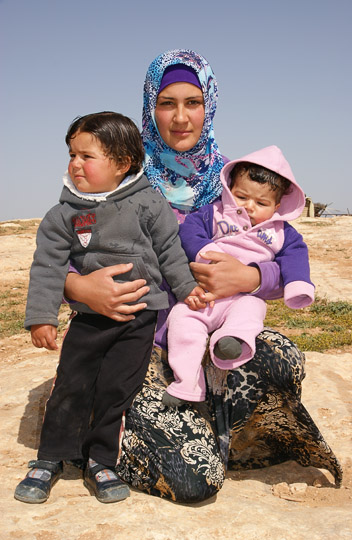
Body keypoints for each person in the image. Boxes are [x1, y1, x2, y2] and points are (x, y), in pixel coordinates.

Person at [58, 50, 343, 502]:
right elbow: (65, 253)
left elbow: (281, 250)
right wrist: (79, 287)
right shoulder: (117, 177)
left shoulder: (238, 180)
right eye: (167, 103)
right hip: (138, 334)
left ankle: (207, 416)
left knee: (278, 357)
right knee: (194, 479)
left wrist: (251, 279)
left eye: (193, 102)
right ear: (150, 107)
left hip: (216, 324)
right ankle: (108, 434)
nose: (180, 117)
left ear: (209, 105)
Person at [14, 111, 206, 504]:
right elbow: (48, 266)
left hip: (139, 320)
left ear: (122, 164)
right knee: (71, 384)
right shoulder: (62, 215)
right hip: (87, 318)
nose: (75, 164)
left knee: (117, 389)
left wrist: (186, 289)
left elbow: (170, 252)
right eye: (71, 154)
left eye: (87, 156)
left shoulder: (148, 203)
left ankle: (102, 461)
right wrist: (41, 317)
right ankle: (51, 457)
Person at [163, 145, 315, 407]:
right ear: (230, 190)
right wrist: (206, 253)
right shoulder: (215, 213)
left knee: (250, 312)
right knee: (182, 318)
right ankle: (187, 382)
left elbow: (296, 257)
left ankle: (231, 341)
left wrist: (298, 287)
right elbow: (190, 231)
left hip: (243, 296)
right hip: (205, 294)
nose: (249, 208)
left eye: (262, 203)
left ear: (278, 205)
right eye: (242, 197)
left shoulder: (281, 232)